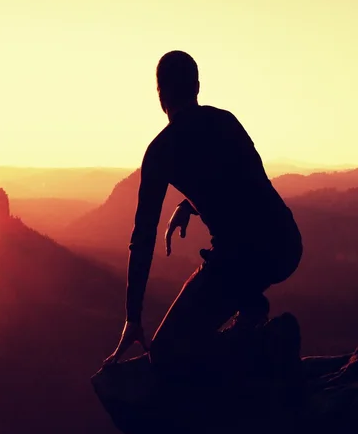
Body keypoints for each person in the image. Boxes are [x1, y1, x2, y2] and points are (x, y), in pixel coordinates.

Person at [103, 50, 303, 372]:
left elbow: (142, 240)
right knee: (234, 269)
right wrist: (190, 204)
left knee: (166, 351)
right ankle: (251, 311)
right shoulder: (225, 121)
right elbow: (247, 187)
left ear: (160, 95)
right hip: (286, 244)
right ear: (197, 87)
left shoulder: (161, 151)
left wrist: (133, 317)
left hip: (240, 258)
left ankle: (266, 345)